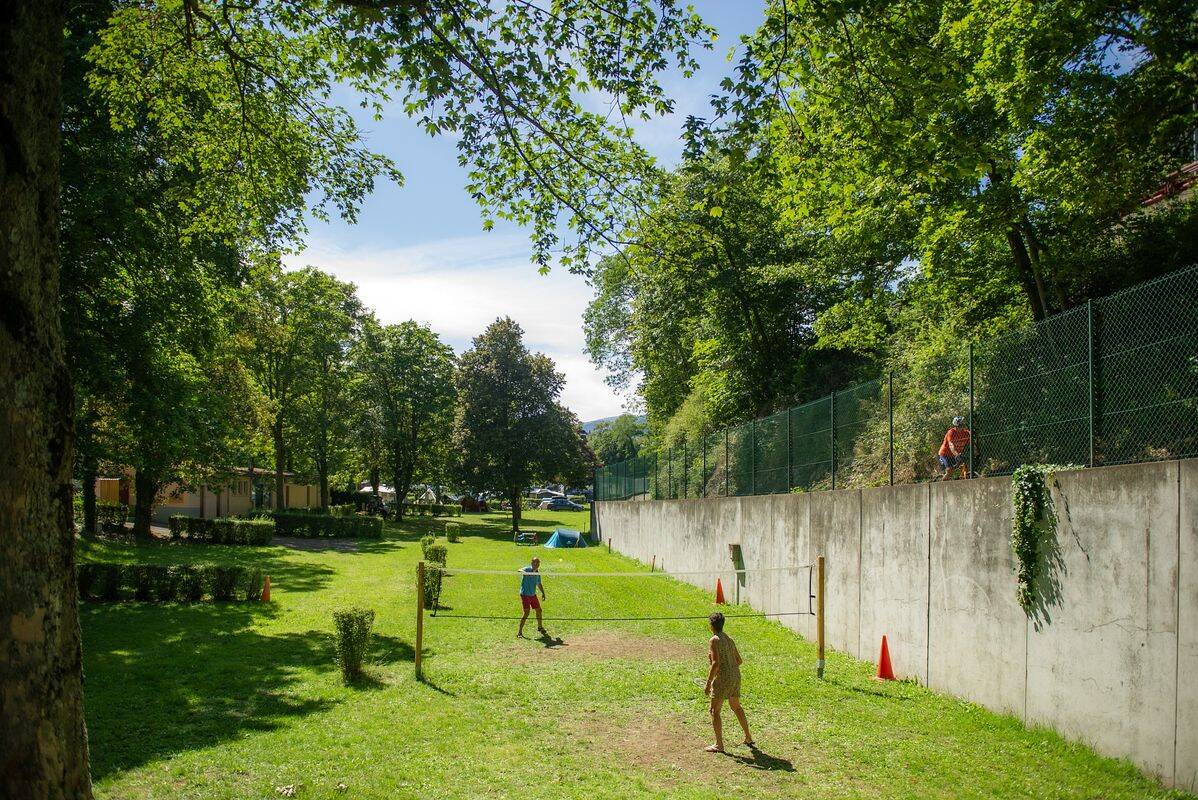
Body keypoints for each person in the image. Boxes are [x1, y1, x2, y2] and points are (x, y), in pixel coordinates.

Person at [703, 612, 753, 753]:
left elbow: (716, 664)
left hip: (723, 678)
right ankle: (748, 737)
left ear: (711, 625)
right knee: (736, 707)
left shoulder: (714, 640)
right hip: (735, 676)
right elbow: (739, 661)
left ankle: (719, 745)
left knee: (714, 711)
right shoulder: (729, 639)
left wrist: (708, 683)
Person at [517, 557, 547, 638]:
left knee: (539, 610)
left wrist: (543, 593)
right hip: (525, 595)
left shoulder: (537, 573)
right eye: (534, 562)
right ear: (531, 563)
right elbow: (519, 570)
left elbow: (539, 584)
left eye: (537, 563)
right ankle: (519, 632)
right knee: (526, 613)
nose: (536, 564)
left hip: (533, 594)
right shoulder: (527, 569)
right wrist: (525, 573)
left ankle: (540, 627)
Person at [938, 416, 974, 480]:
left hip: (956, 455)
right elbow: (951, 445)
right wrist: (956, 454)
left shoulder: (967, 433)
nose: (964, 425)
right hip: (945, 454)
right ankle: (942, 483)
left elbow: (971, 443)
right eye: (962, 423)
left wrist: (976, 451)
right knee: (950, 471)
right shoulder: (951, 432)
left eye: (964, 423)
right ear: (957, 425)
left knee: (964, 467)